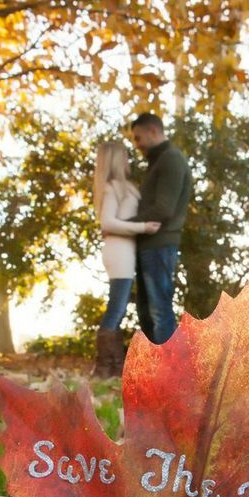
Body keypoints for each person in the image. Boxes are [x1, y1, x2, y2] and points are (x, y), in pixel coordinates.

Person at [92, 140, 161, 377]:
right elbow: (107, 222)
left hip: (124, 251)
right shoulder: (113, 187)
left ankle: (111, 366)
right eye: (124, 156)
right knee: (117, 308)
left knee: (117, 307)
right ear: (115, 160)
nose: (127, 160)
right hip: (118, 252)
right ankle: (105, 366)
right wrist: (143, 227)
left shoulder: (124, 187)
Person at [128, 113, 192, 344]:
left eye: (138, 138)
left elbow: (164, 208)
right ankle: (156, 374)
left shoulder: (171, 159)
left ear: (153, 131)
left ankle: (173, 372)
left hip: (159, 246)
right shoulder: (158, 162)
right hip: (148, 246)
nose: (137, 145)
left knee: (159, 311)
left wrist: (125, 225)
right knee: (146, 313)